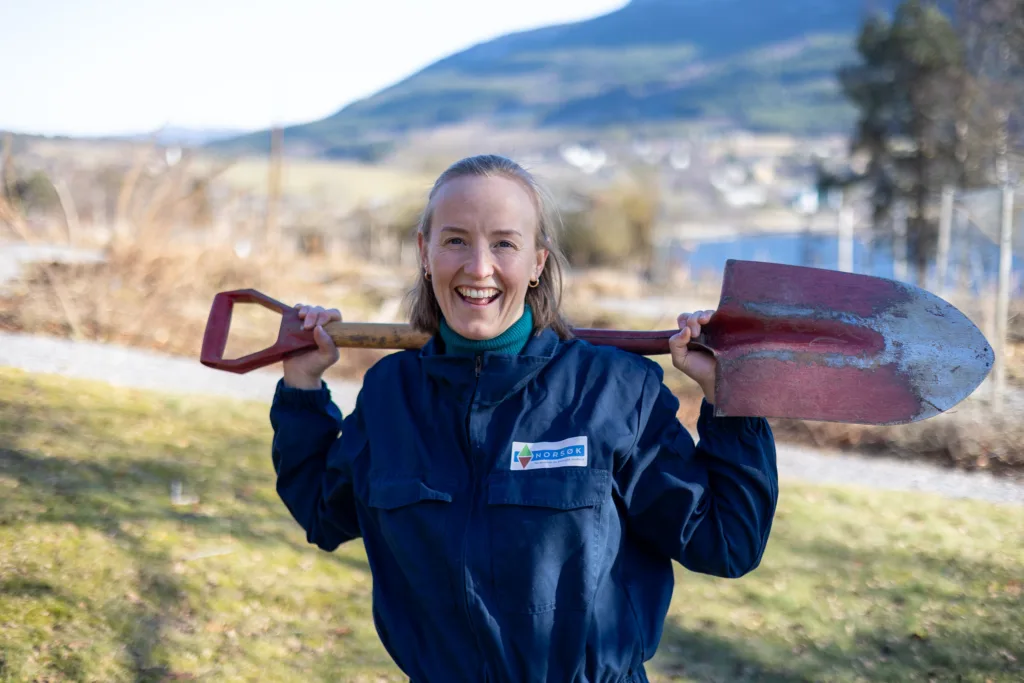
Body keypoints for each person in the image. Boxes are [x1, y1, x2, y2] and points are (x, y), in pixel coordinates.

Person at [269, 154, 778, 683]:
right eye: (456, 240)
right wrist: (301, 387)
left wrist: (729, 402)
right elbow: (321, 513)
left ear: (538, 262)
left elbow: (726, 542)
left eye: (504, 243)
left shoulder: (615, 391)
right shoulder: (390, 395)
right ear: (425, 252)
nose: (479, 267)